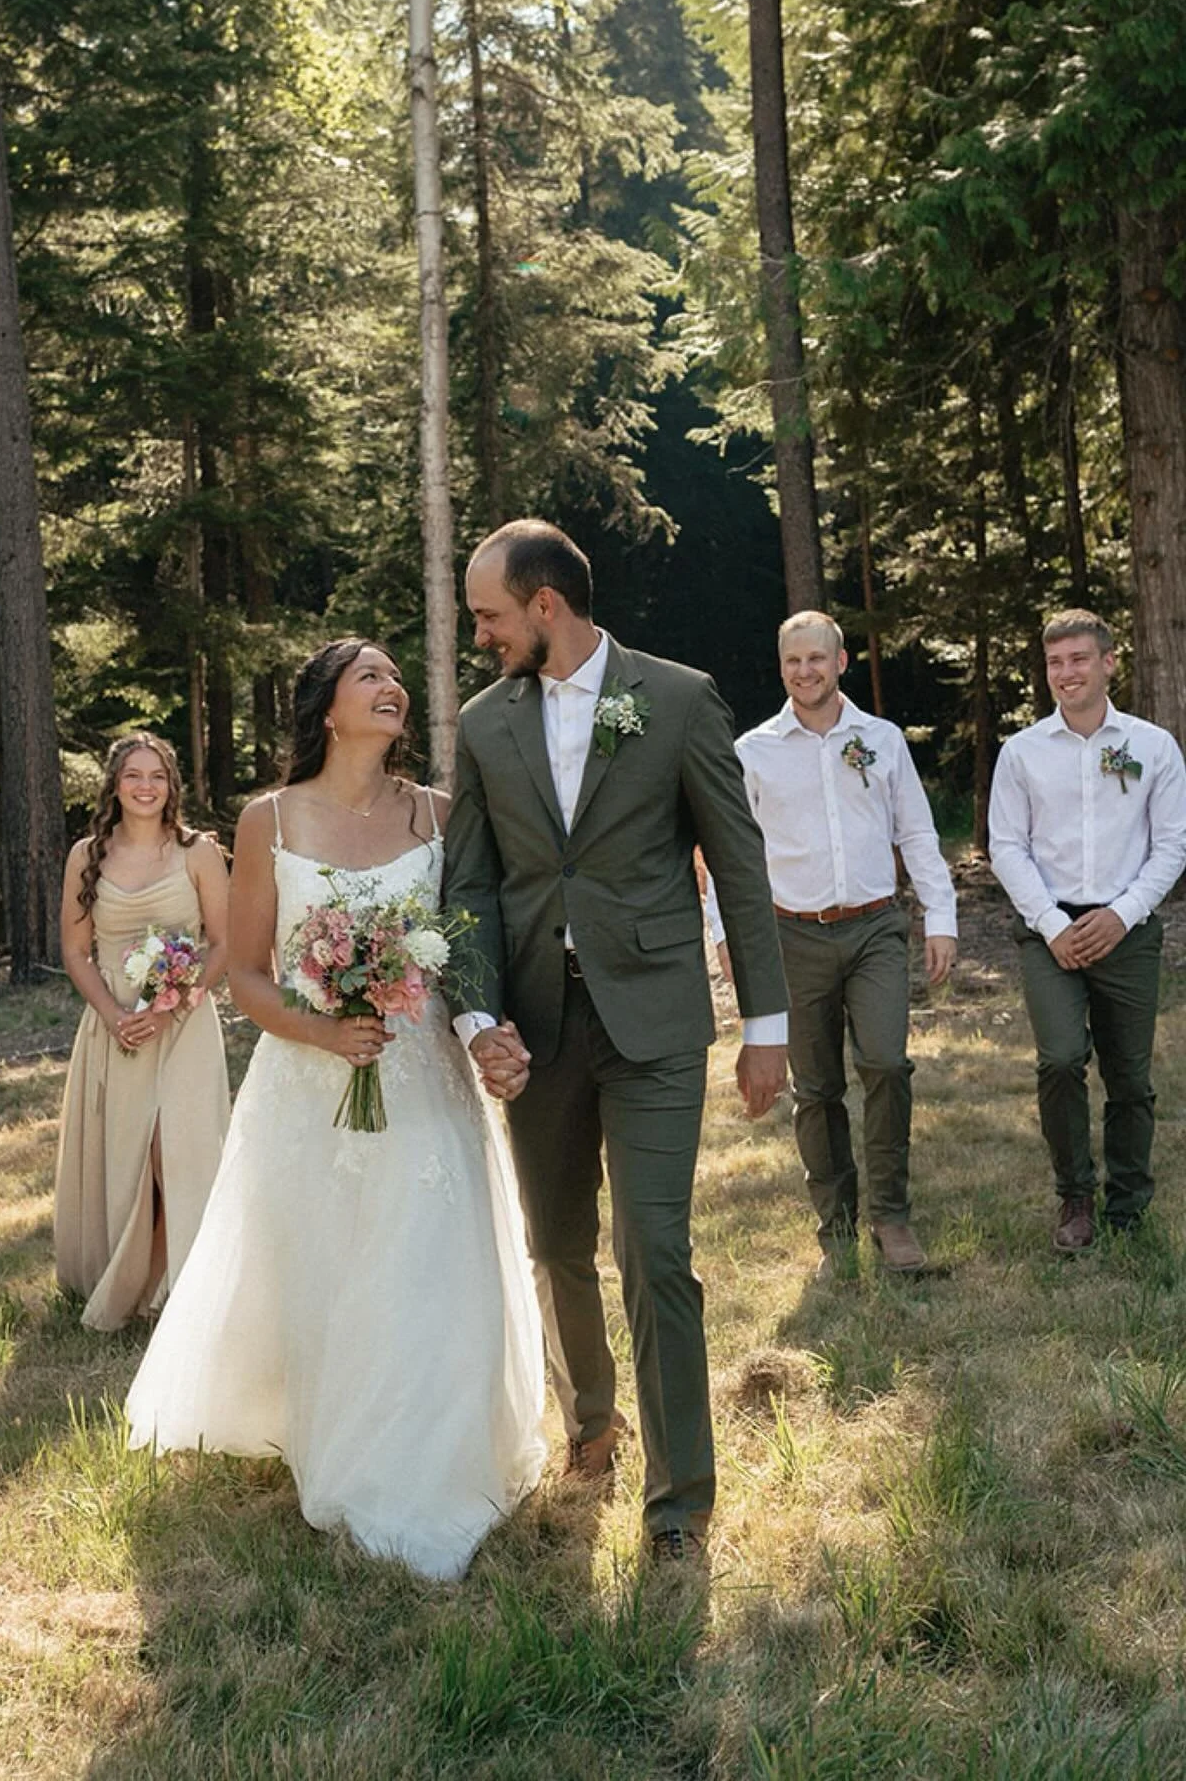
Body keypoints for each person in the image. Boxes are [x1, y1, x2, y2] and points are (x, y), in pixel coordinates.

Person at [125, 641, 545, 1583]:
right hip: (310, 1081)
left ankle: (432, 1463)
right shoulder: (269, 818)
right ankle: (337, 1438)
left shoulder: (438, 812)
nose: (393, 688)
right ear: (327, 708)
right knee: (330, 1265)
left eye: (398, 679)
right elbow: (243, 975)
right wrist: (321, 1033)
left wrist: (480, 1027)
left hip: (424, 1067)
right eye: (372, 678)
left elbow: (477, 935)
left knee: (431, 1256)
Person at [443, 520, 789, 1565]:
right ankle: (592, 1423)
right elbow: (468, 886)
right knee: (556, 1247)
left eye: (490, 616)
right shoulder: (482, 723)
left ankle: (680, 1501)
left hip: (655, 1022)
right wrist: (475, 1016)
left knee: (657, 1247)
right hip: (535, 1032)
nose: (482, 636)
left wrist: (766, 1027)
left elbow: (738, 864)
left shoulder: (678, 700)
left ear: (547, 605)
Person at [705, 612, 957, 1278]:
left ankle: (892, 1217)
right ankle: (835, 1225)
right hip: (794, 934)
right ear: (781, 666)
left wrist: (941, 917)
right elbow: (730, 855)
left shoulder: (881, 739)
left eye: (817, 659)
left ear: (841, 662)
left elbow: (918, 833)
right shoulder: (754, 751)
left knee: (887, 1065)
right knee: (816, 1087)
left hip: (875, 926)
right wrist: (725, 934)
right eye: (793, 661)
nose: (805, 671)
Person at [988, 610, 1186, 1252]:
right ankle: (1075, 1197)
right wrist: (1051, 924)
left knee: (1129, 1076)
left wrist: (1122, 914)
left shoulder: (1154, 747)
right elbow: (1006, 847)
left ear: (1108, 663)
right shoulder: (1021, 753)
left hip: (1126, 927)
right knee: (1061, 1059)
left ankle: (1128, 1203)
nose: (1065, 673)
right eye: (1054, 663)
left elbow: (1173, 846)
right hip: (1050, 931)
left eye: (1078, 659)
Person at [54, 733, 232, 1330]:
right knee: (132, 1158)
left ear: (172, 783)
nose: (146, 786)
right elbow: (77, 951)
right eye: (134, 775)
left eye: (157, 775)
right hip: (118, 1024)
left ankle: (181, 1290)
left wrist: (172, 1003)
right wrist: (113, 1014)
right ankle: (138, 1286)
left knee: (175, 1151)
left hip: (182, 1024)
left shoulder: (197, 852)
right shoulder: (87, 855)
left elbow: (225, 942)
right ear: (115, 784)